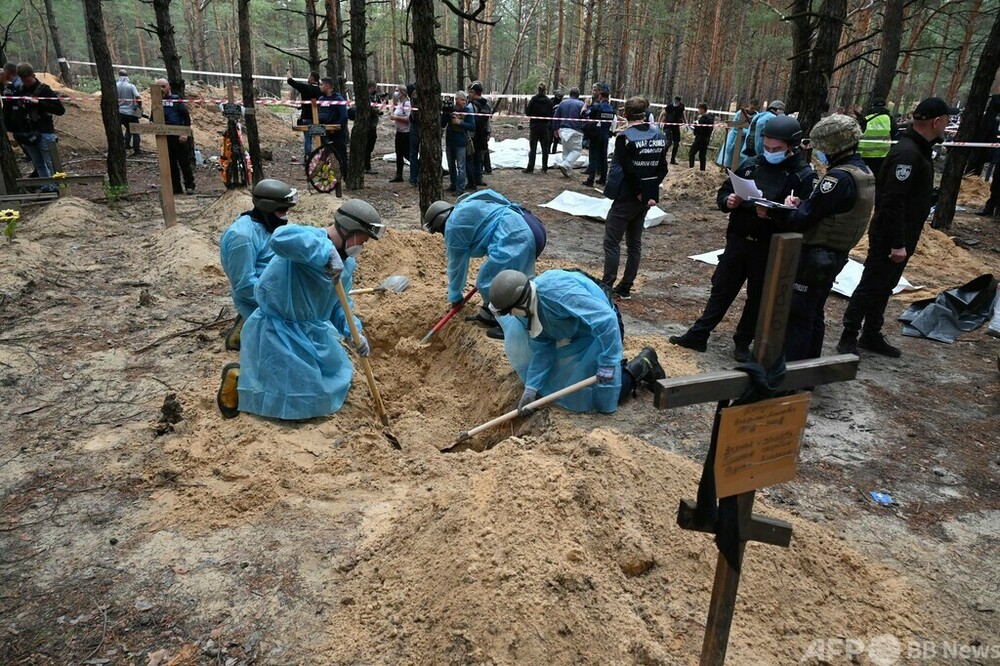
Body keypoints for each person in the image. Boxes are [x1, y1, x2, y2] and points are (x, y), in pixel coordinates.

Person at [216, 199, 386, 420]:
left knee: (332, 381)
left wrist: (353, 331)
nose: (363, 244)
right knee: (299, 398)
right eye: (363, 238)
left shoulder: (346, 265)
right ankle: (239, 378)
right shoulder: (308, 239)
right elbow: (280, 239)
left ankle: (255, 377)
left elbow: (338, 305)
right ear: (350, 230)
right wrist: (325, 251)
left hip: (310, 332)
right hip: (277, 331)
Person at [670, 114, 816, 361]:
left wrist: (779, 212)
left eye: (777, 149)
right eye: (767, 147)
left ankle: (742, 342)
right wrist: (728, 200)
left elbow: (805, 218)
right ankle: (699, 333)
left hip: (769, 247)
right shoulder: (752, 164)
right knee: (722, 289)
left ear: (791, 146)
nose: (771, 152)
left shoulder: (802, 176)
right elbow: (726, 189)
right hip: (738, 241)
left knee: (757, 297)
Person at [836, 97, 958, 358]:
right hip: (891, 236)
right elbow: (892, 201)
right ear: (936, 121)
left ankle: (870, 334)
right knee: (871, 284)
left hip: (902, 234)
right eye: (946, 121)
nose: (947, 127)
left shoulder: (918, 150)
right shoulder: (908, 153)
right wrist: (897, 242)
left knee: (885, 286)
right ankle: (849, 335)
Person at [489, 269, 665, 415]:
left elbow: (605, 320)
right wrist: (531, 388)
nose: (511, 316)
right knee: (567, 384)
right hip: (582, 334)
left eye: (510, 311)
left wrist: (608, 364)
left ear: (519, 303)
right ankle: (616, 369)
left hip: (605, 329)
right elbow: (543, 349)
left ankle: (642, 364)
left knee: (603, 395)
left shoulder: (555, 293)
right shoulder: (530, 311)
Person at [772, 115, 875, 361]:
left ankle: (791, 374)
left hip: (816, 255)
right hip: (834, 254)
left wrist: (788, 210)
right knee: (813, 312)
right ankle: (808, 370)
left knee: (798, 314)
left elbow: (805, 217)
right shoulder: (862, 172)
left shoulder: (837, 179)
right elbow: (828, 208)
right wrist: (806, 203)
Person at [423, 189, 546, 338]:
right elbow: (492, 194)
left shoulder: (452, 226)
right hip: (527, 222)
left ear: (439, 223)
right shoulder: (466, 204)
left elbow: (456, 267)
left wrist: (455, 296)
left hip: (516, 235)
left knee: (487, 282)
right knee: (503, 277)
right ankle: (489, 315)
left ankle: (514, 325)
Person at [219, 179, 300, 351]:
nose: (285, 216)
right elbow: (244, 284)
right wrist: (281, 300)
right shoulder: (242, 237)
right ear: (268, 209)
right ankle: (246, 329)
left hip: (274, 289)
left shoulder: (267, 225)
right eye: (281, 211)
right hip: (259, 296)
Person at [601, 96, 668, 300]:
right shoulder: (659, 136)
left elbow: (628, 171)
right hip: (644, 200)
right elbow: (663, 169)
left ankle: (606, 286)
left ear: (626, 114)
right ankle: (626, 286)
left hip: (626, 197)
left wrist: (639, 190)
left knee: (612, 243)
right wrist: (648, 192)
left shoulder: (625, 138)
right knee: (634, 243)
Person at [8, 63, 65, 193]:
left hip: (45, 132)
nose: (26, 83)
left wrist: (39, 102)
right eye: (23, 81)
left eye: (28, 80)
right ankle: (46, 187)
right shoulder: (20, 90)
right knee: (38, 163)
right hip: (28, 133)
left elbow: (60, 110)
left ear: (33, 76)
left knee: (51, 162)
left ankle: (59, 187)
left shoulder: (44, 90)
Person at [153, 78, 195, 195]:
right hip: (165, 138)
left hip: (179, 137)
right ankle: (176, 187)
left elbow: (186, 118)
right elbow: (153, 119)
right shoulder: (157, 102)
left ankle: (189, 185)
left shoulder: (176, 100)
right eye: (158, 87)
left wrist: (184, 133)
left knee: (184, 163)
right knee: (171, 164)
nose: (161, 89)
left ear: (168, 87)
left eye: (163, 86)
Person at [582, 82, 615, 187]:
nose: (594, 93)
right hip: (605, 135)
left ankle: (590, 179)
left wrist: (586, 105)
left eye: (596, 91)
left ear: (600, 94)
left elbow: (584, 114)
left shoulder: (597, 106)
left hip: (595, 135)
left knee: (593, 157)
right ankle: (603, 179)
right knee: (603, 157)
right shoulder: (611, 108)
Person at [443, 90, 476, 195]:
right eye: (462, 100)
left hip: (461, 142)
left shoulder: (468, 111)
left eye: (465, 100)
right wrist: (445, 113)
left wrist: (460, 122)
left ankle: (460, 188)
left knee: (461, 167)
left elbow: (472, 126)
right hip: (450, 141)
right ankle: (453, 185)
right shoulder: (450, 109)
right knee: (451, 165)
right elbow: (442, 124)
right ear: (456, 99)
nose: (464, 102)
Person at [857, 95, 899, 175]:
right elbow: (895, 136)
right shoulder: (889, 119)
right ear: (885, 106)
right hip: (882, 156)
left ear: (872, 105)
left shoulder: (866, 119)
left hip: (864, 155)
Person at [317, 76, 348, 174]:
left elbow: (344, 116)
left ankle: (344, 175)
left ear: (327, 85)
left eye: (321, 84)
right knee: (325, 154)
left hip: (337, 133)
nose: (320, 87)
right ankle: (326, 175)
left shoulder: (338, 98)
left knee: (340, 154)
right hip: (324, 132)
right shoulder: (321, 99)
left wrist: (335, 128)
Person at [287, 70, 321, 158]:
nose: (307, 78)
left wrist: (288, 71)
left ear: (312, 78)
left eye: (309, 76)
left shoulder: (305, 88)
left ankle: (308, 158)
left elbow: (291, 82)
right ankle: (321, 158)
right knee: (319, 139)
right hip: (318, 118)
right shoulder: (320, 90)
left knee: (308, 139)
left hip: (306, 117)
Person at [552, 87, 585, 177]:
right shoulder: (581, 104)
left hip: (563, 130)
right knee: (576, 151)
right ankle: (565, 165)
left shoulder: (563, 103)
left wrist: (555, 129)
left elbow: (556, 116)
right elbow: (584, 117)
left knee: (566, 150)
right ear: (578, 95)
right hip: (576, 130)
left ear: (569, 94)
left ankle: (566, 170)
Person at [716, 99, 758, 169]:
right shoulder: (740, 113)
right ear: (749, 105)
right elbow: (735, 126)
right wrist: (745, 131)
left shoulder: (756, 116)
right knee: (730, 157)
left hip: (745, 141)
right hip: (734, 138)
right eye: (751, 108)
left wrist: (748, 133)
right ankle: (728, 170)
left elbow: (754, 128)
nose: (752, 110)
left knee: (741, 160)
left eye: (754, 108)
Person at [523, 82, 553, 173]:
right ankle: (544, 168)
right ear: (545, 90)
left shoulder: (534, 99)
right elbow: (551, 114)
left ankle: (530, 167)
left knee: (533, 148)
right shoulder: (548, 101)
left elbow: (528, 113)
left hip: (535, 126)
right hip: (544, 127)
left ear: (538, 89)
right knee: (545, 148)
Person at [468, 81, 492, 188]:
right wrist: (488, 132)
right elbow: (488, 121)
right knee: (479, 158)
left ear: (475, 93)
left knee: (472, 158)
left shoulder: (472, 106)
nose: (469, 94)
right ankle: (479, 178)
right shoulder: (486, 105)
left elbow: (470, 121)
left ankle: (473, 180)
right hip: (483, 135)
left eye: (471, 92)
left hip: (474, 136)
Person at [116, 69, 143, 156]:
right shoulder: (131, 86)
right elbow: (138, 97)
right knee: (135, 131)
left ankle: (125, 145)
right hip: (130, 112)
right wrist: (139, 108)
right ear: (127, 75)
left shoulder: (115, 85)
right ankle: (137, 150)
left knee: (128, 128)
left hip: (120, 113)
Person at [388, 84, 411, 183]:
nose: (396, 92)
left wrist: (395, 118)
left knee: (407, 154)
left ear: (403, 92)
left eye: (398, 90)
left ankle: (418, 168)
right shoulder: (399, 103)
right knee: (399, 154)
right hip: (399, 132)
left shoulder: (407, 103)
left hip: (406, 133)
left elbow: (408, 118)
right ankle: (399, 175)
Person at [364, 81, 384, 175]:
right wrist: (378, 110)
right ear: (372, 87)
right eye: (374, 88)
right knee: (368, 146)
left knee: (369, 146)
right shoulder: (367, 97)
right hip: (369, 125)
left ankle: (366, 165)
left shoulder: (373, 96)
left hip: (371, 124)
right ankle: (366, 166)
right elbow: (372, 109)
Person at [689, 103, 715, 171]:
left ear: (703, 109)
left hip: (700, 139)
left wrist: (695, 126)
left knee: (691, 153)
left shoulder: (703, 119)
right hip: (706, 139)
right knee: (702, 155)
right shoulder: (711, 118)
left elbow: (699, 130)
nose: (698, 110)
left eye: (699, 109)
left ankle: (691, 169)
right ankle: (702, 170)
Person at [661, 96, 685, 165]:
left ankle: (672, 159)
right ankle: (662, 157)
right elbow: (663, 114)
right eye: (676, 101)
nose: (676, 102)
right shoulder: (669, 106)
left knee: (676, 144)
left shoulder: (681, 107)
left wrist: (685, 122)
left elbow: (683, 114)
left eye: (678, 101)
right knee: (669, 142)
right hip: (668, 127)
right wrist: (659, 122)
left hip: (676, 127)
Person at [407, 83, 420, 185]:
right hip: (416, 126)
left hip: (417, 126)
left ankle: (415, 177)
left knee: (414, 154)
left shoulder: (413, 99)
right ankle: (414, 177)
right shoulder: (414, 99)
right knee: (414, 154)